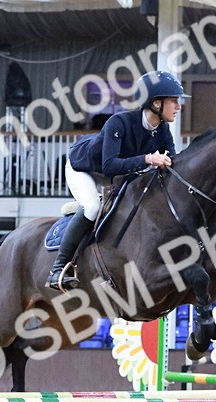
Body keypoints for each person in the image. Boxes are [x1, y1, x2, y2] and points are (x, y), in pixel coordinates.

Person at [46, 71, 188, 290]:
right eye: (174, 101)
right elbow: (109, 166)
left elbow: (172, 162)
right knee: (93, 207)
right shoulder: (119, 122)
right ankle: (58, 269)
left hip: (119, 175)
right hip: (85, 169)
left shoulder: (162, 130)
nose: (178, 106)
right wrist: (148, 159)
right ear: (156, 103)